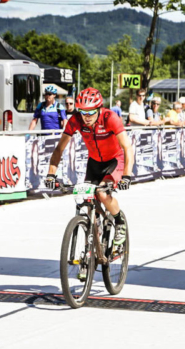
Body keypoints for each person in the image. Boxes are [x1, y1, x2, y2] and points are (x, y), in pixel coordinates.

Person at [44, 88, 134, 246]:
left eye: (91, 112)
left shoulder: (110, 118)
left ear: (99, 108)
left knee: (103, 194)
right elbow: (59, 149)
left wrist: (126, 176)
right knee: (88, 198)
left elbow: (127, 148)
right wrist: (51, 174)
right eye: (82, 112)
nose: (86, 117)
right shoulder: (76, 120)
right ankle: (95, 232)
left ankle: (120, 223)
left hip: (114, 160)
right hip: (94, 162)